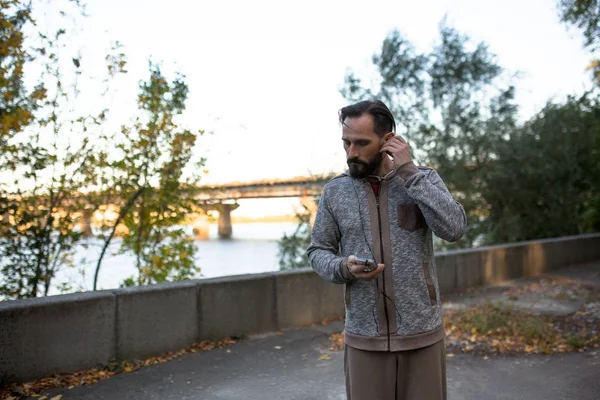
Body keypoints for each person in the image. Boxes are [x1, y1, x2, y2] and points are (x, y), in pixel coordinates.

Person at [307, 100, 467, 400]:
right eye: (346, 143)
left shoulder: (422, 180)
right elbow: (318, 251)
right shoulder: (335, 191)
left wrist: (409, 171)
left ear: (388, 139)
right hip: (364, 338)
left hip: (422, 335)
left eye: (362, 143)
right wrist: (344, 267)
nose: (351, 153)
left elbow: (455, 228)